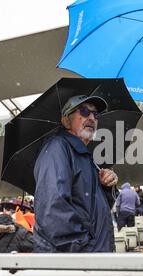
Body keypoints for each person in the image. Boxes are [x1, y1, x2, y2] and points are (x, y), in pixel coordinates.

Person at [33, 94, 118, 253]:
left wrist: (106, 186)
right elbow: (52, 210)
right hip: (72, 265)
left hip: (90, 261)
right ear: (66, 121)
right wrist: (86, 247)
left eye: (95, 114)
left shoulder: (86, 158)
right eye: (84, 111)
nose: (92, 117)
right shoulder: (57, 148)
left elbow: (94, 213)